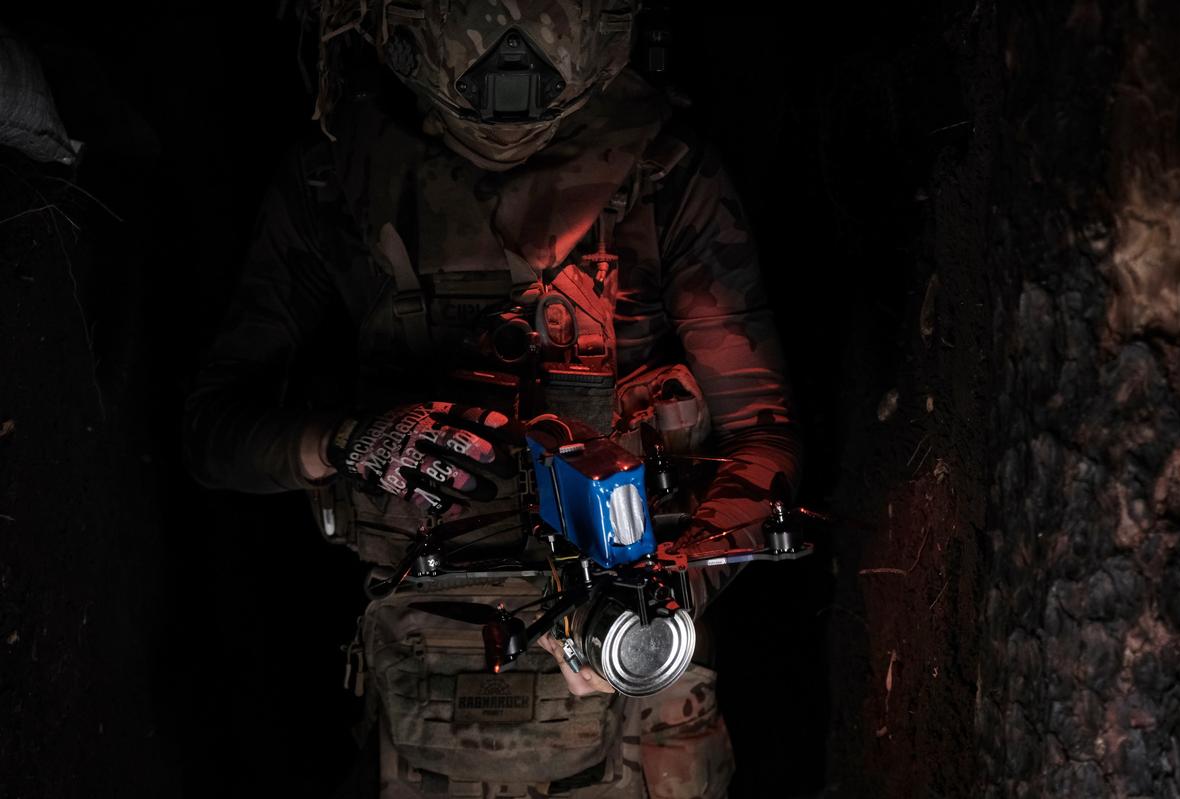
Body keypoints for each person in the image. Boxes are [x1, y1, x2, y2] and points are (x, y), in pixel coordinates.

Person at [184, 2, 800, 797]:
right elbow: (212, 433)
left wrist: (652, 600)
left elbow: (764, 437)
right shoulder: (335, 179)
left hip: (633, 682)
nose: (510, 79)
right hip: (422, 688)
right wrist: (346, 441)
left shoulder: (666, 177)